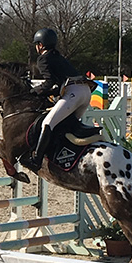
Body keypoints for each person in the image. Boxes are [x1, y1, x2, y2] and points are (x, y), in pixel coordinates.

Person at [24, 28, 94, 170]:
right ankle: (66, 155)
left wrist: (33, 91)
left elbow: (49, 82)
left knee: (47, 123)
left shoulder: (43, 58)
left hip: (74, 92)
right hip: (86, 91)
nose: (36, 47)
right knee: (67, 124)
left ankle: (36, 160)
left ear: (41, 45)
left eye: (37, 44)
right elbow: (57, 84)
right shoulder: (59, 57)